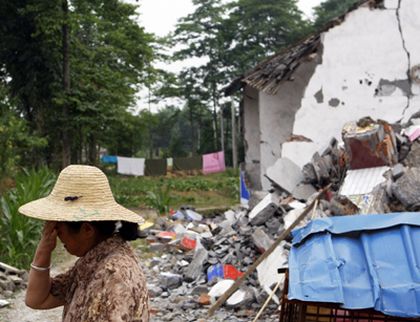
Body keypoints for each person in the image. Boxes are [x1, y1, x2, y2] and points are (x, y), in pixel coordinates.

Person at [19, 164, 149, 322]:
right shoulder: (91, 263)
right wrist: (44, 249)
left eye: (59, 230)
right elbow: (37, 299)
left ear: (87, 229)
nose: (57, 237)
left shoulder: (113, 275)